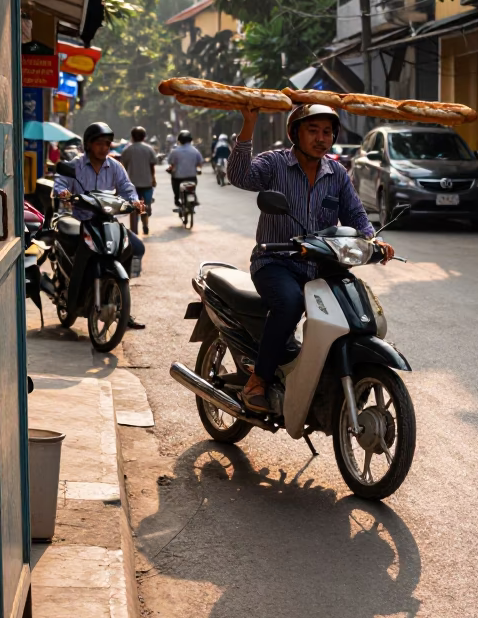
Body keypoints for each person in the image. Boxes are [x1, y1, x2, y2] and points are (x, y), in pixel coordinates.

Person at [227, 102, 395, 413]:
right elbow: (239, 176)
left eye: (327, 132)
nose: (321, 138)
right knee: (290, 303)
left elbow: (356, 214)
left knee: (354, 308)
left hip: (321, 265)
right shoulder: (275, 164)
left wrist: (374, 240)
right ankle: (259, 381)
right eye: (313, 130)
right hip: (275, 262)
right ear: (295, 133)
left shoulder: (337, 174)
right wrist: (249, 123)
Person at [53, 121, 146, 329]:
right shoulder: (76, 164)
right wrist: (63, 193)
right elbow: (60, 183)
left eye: (107, 144)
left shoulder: (114, 166)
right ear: (88, 145)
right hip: (83, 221)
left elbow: (126, 188)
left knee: (135, 247)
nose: (104, 148)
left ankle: (121, 301)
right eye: (99, 144)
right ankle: (73, 299)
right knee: (82, 255)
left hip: (107, 221)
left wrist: (135, 202)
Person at [121, 125, 157, 236]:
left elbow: (123, 168)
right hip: (147, 183)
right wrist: (153, 179)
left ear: (132, 137)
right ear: (144, 137)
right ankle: (145, 225)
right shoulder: (149, 149)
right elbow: (152, 166)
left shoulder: (127, 150)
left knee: (134, 208)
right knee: (145, 206)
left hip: (132, 185)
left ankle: (134, 230)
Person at [166, 129, 204, 207]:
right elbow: (200, 163)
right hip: (192, 177)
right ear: (190, 140)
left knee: (174, 180)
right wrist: (198, 169)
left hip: (178, 178)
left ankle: (177, 199)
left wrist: (170, 169)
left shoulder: (175, 151)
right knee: (192, 187)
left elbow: (171, 163)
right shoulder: (195, 151)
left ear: (179, 140)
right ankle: (194, 197)